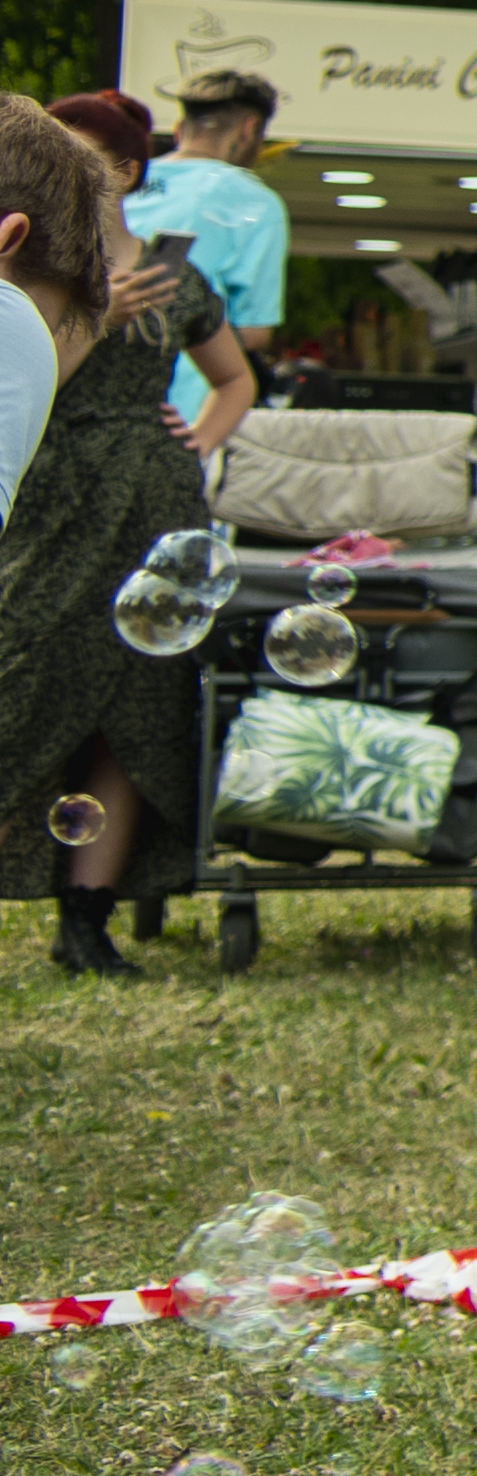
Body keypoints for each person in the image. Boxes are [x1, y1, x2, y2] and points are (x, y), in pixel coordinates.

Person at [0, 95, 216, 978]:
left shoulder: (175, 280)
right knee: (20, 687)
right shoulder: (41, 282)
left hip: (153, 506)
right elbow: (36, 385)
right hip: (56, 500)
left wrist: (200, 434)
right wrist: (100, 316)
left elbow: (235, 378)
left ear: (125, 171)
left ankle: (87, 919)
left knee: (135, 714)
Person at [122, 71, 278, 450]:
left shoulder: (124, 179)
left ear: (179, 127)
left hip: (97, 393)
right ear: (249, 128)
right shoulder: (256, 202)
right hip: (186, 412)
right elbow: (255, 331)